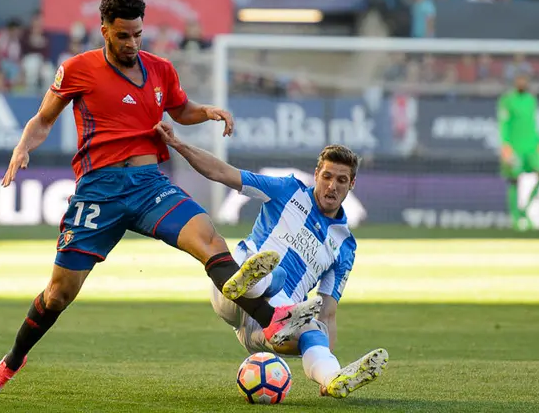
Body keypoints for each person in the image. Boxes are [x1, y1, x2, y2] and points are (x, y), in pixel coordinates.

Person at [0, 0, 320, 393]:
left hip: (150, 185)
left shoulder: (160, 69)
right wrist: (22, 146)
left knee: (208, 238)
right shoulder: (77, 69)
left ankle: (271, 317)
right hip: (98, 191)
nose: (133, 43)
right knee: (58, 294)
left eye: (138, 34)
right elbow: (43, 120)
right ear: (104, 30)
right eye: (123, 36)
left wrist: (206, 112)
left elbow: (181, 110)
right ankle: (13, 361)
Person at [154, 122, 388, 399]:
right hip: (229, 289)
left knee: (314, 330)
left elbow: (328, 313)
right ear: (316, 175)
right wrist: (179, 144)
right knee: (273, 271)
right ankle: (251, 280)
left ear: (351, 184)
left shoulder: (344, 245)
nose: (332, 186)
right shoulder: (287, 190)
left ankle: (332, 377)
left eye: (341, 180)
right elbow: (222, 172)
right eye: (327, 176)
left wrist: (326, 350)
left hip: (267, 326)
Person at [497, 72, 539, 231]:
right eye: (519, 79)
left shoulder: (531, 100)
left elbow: (533, 124)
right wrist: (505, 146)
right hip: (514, 147)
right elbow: (503, 124)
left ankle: (524, 211)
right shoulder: (507, 100)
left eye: (524, 80)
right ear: (514, 82)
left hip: (532, 146)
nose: (522, 82)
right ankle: (515, 218)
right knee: (514, 180)